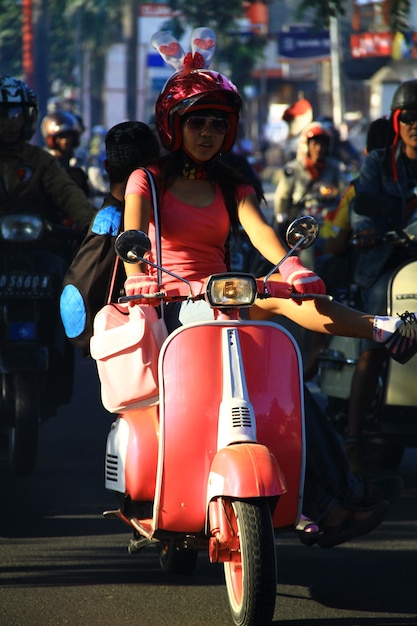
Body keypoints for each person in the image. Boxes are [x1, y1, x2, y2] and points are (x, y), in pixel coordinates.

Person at [119, 29, 410, 547]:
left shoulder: (234, 184)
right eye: (197, 121)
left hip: (221, 293)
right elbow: (134, 242)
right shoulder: (147, 179)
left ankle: (381, 329)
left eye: (217, 122)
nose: (207, 132)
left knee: (290, 384)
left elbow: (262, 233)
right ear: (175, 125)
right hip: (169, 303)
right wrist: (141, 278)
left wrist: (291, 267)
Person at [344, 80, 417, 474]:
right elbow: (361, 205)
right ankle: (354, 440)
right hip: (385, 264)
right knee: (376, 339)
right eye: (408, 116)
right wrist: (367, 228)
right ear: (396, 121)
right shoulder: (378, 162)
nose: (415, 123)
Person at [60, 120, 160, 356]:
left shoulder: (106, 217)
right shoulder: (115, 220)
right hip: (135, 334)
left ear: (106, 166)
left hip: (118, 341)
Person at [0, 75, 94, 232]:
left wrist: (94, 227)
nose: (11, 123)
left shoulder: (40, 160)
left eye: (17, 114)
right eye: (3, 115)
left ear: (28, 118)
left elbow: (67, 193)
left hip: (38, 244)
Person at [273, 120, 346, 253]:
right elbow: (282, 197)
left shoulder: (335, 167)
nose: (318, 148)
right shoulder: (293, 169)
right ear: (306, 145)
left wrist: (335, 192)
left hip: (328, 217)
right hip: (302, 218)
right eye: (315, 144)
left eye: (322, 144)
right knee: (305, 250)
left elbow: (345, 191)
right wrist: (281, 220)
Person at [40, 109, 91, 197]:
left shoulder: (80, 159)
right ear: (51, 139)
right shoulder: (43, 161)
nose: (65, 141)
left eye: (68, 136)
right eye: (60, 137)